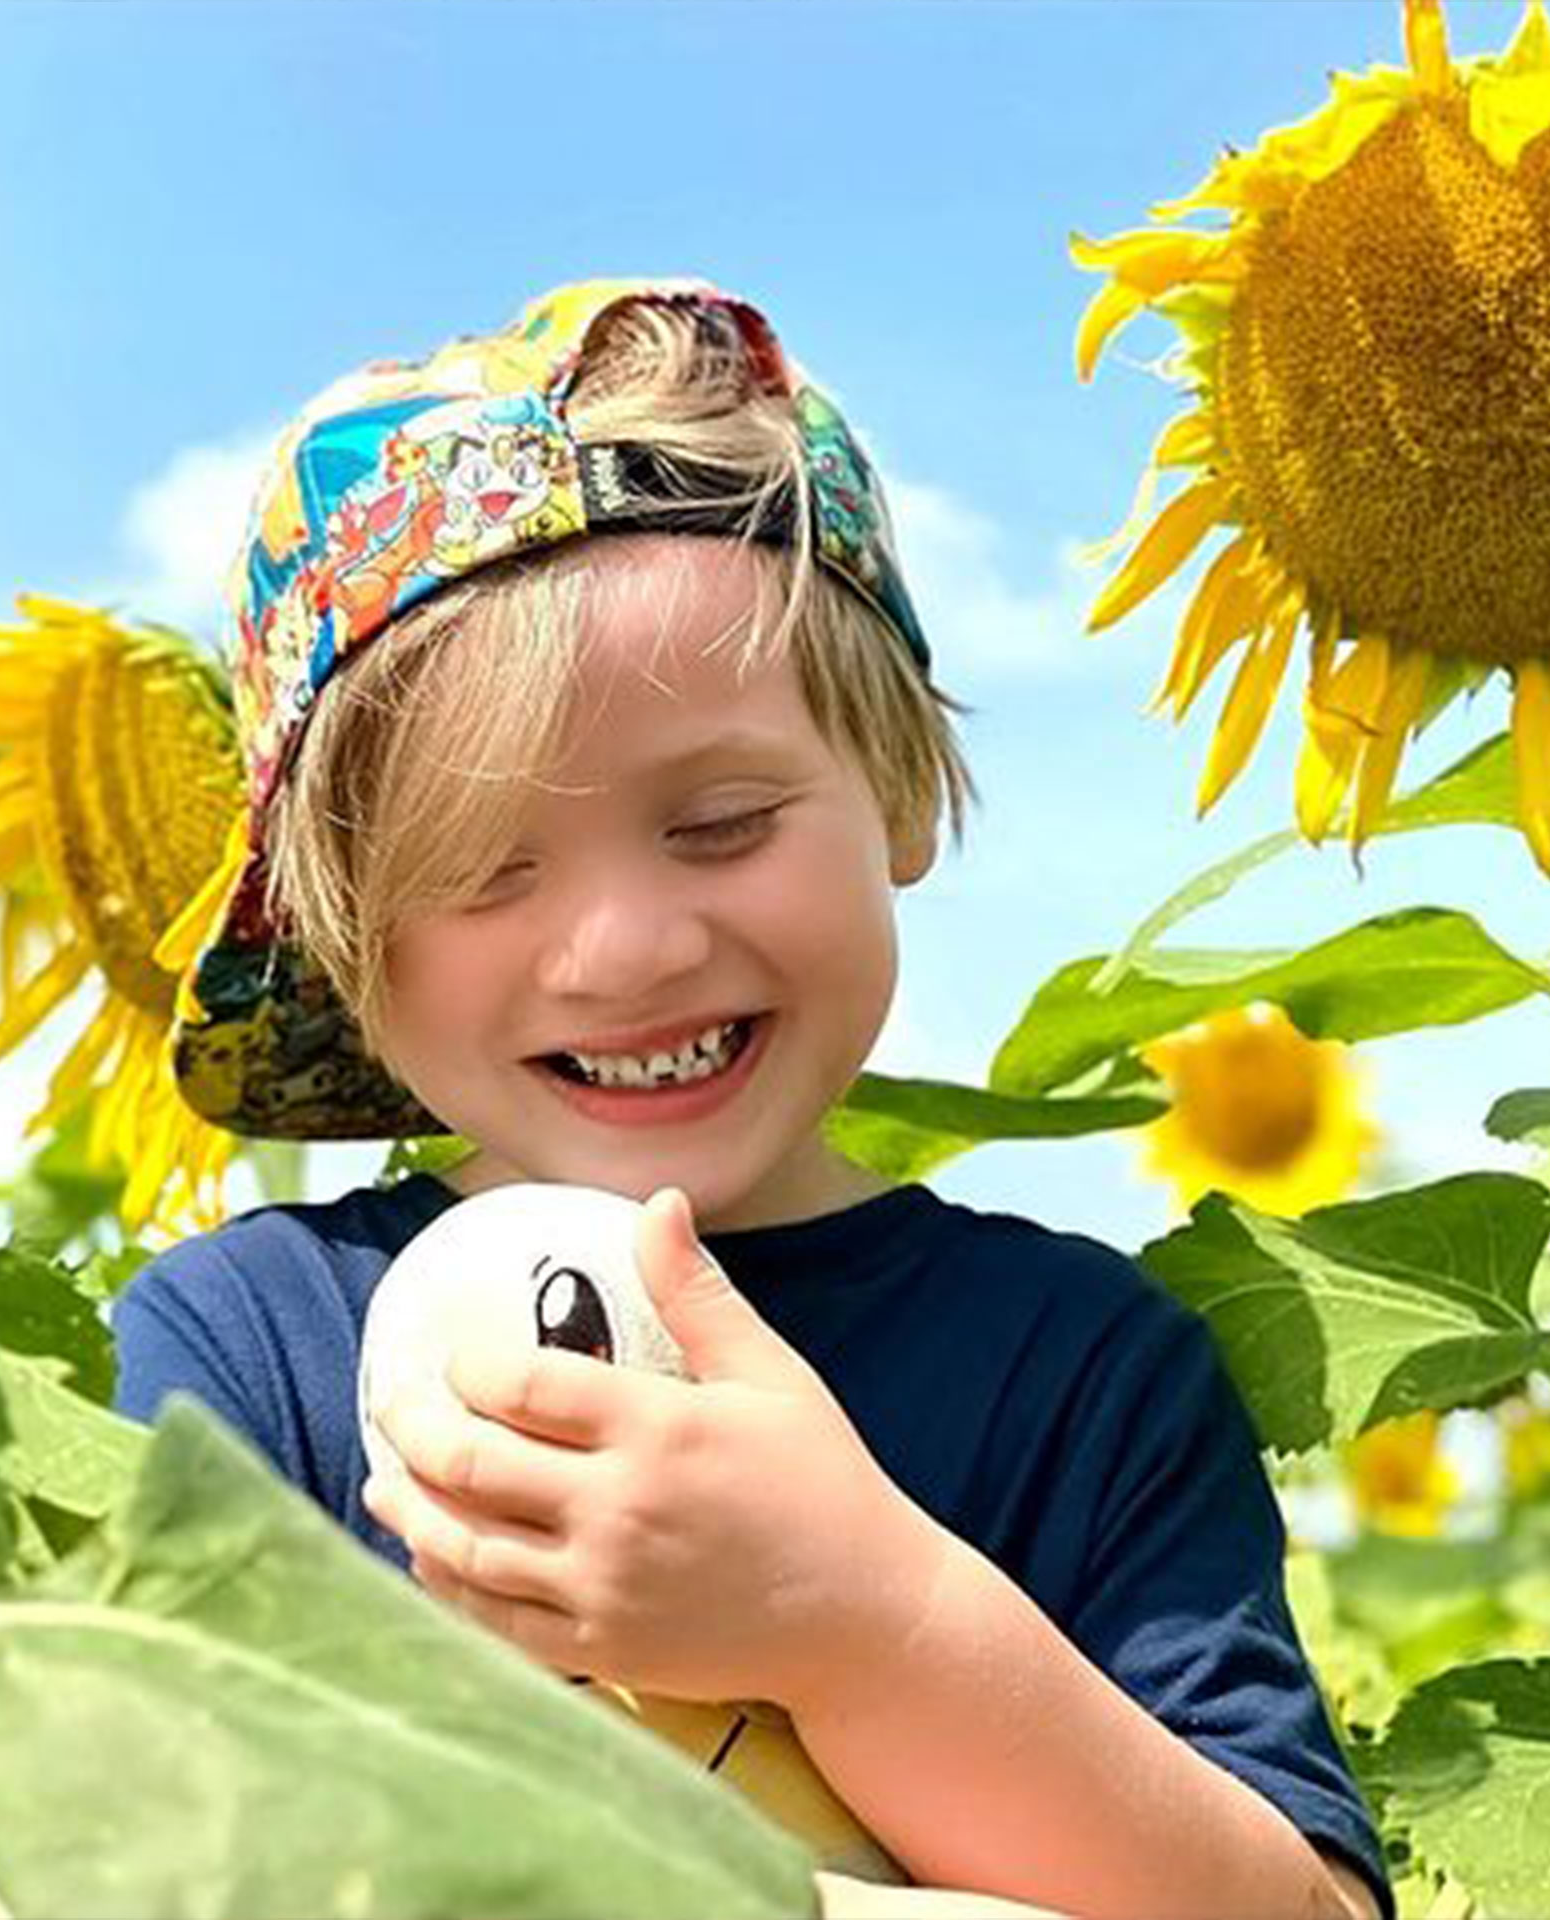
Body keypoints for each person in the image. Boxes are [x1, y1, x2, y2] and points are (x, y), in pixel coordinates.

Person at [112, 278, 1389, 1919]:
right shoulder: (250, 1353)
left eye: (720, 823)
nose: (627, 948)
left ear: (900, 798)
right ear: (350, 951)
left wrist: (864, 1617)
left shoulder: (1079, 1367)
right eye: (485, 871)